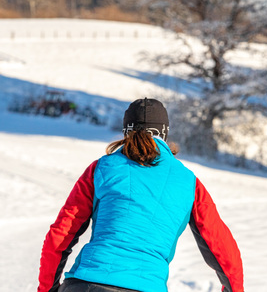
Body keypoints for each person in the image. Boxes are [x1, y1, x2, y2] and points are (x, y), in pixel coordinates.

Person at [38, 98, 244, 292]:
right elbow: (223, 249)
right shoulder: (189, 182)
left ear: (126, 131)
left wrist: (48, 289)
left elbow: (59, 235)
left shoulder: (101, 168)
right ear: (164, 133)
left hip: (86, 284)